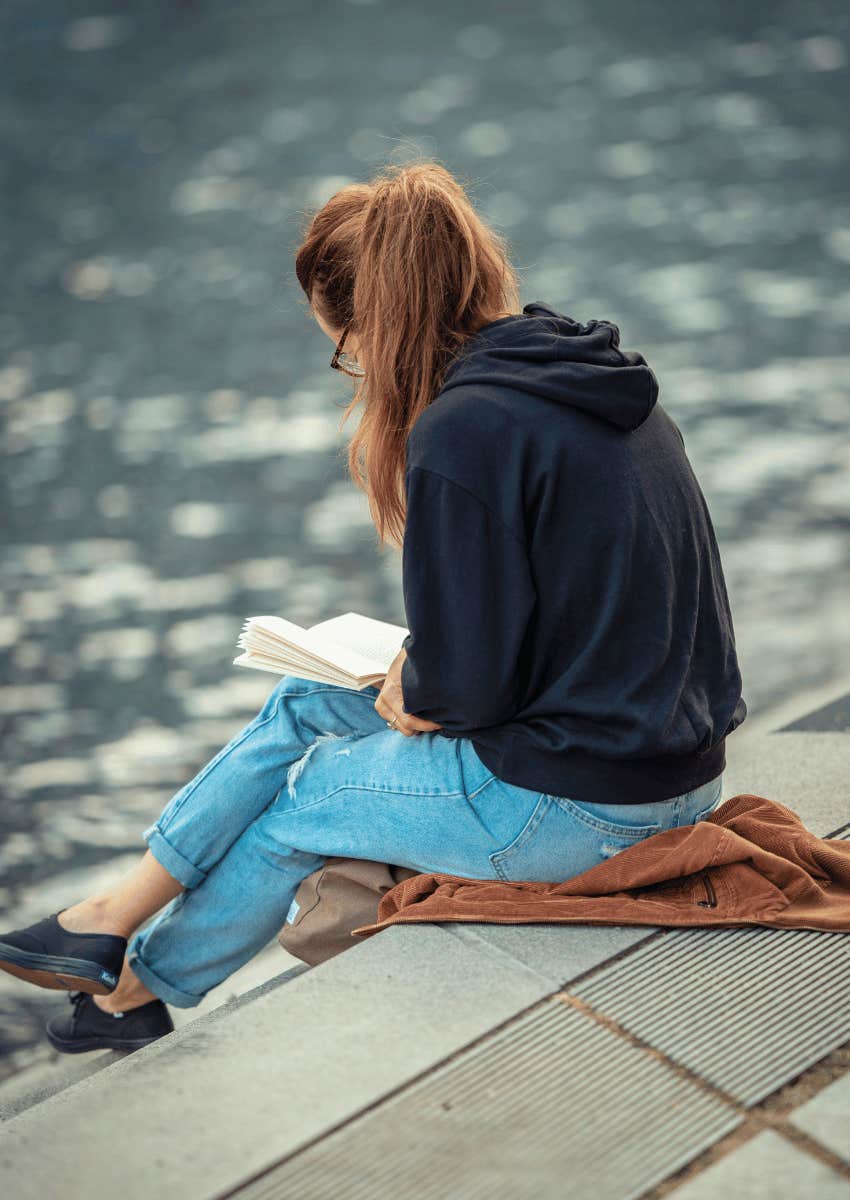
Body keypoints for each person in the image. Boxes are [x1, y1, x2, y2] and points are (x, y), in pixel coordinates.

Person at [0, 159, 746, 1052]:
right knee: (301, 701)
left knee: (310, 796)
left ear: (379, 325)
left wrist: (414, 687)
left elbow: (462, 695)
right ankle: (107, 916)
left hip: (585, 814)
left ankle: (137, 993)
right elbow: (549, 624)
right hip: (669, 763)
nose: (352, 369)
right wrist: (420, 673)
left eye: (343, 347)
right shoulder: (587, 378)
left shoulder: (465, 430)